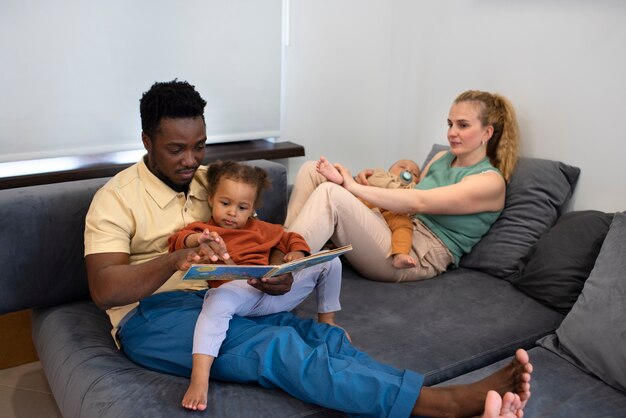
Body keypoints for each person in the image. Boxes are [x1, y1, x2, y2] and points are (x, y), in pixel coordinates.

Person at [84, 79, 533, 417]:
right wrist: (177, 258)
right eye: (176, 149)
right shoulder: (116, 199)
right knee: (280, 346)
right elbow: (105, 290)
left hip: (224, 298)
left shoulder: (210, 183)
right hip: (153, 319)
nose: (190, 160)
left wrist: (280, 267)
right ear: (147, 142)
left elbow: (259, 235)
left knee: (320, 335)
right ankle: (445, 405)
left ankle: (418, 397)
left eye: (199, 146)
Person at [285, 89, 520, 283]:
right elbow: (409, 191)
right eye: (450, 124)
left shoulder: (490, 182)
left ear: (487, 132)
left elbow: (420, 201)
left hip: (415, 252)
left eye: (462, 125)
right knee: (311, 169)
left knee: (331, 194)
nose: (452, 133)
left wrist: (352, 188)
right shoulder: (443, 158)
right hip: (397, 223)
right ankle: (280, 250)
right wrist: (369, 178)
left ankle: (279, 273)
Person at [168, 160, 345, 410]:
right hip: (238, 296)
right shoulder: (205, 229)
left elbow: (290, 237)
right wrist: (199, 239)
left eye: (242, 207)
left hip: (274, 292)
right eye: (225, 203)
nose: (232, 213)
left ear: (252, 209)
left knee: (331, 262)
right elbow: (177, 240)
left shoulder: (262, 229)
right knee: (217, 298)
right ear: (210, 199)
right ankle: (199, 378)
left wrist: (298, 253)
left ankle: (327, 321)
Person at [317, 156, 421, 268]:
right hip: (368, 203)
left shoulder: (415, 188)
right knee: (343, 204)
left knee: (404, 225)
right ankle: (337, 180)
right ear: (389, 169)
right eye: (402, 166)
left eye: (414, 173)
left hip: (393, 213)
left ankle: (400, 254)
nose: (408, 171)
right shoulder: (381, 174)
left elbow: (414, 201)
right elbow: (371, 181)